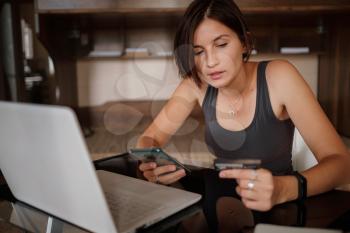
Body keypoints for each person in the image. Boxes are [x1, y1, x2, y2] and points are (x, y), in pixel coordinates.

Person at [136, 0, 350, 232]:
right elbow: (149, 139)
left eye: (221, 44)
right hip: (219, 206)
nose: (210, 62)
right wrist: (152, 162)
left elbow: (342, 165)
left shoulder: (280, 76)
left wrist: (284, 188)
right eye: (198, 51)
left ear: (245, 43)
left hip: (279, 208)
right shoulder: (195, 84)